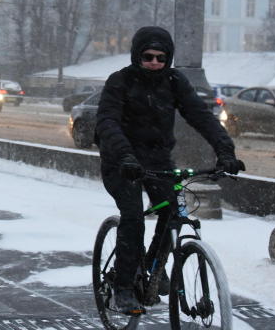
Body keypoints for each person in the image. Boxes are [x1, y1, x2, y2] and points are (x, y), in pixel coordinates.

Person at [94, 26, 245, 315]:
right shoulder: (120, 81)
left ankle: (154, 265)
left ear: (168, 59)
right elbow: (108, 122)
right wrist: (125, 156)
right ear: (137, 56)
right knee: (134, 217)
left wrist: (225, 151)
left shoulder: (175, 82)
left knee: (173, 211)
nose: (154, 63)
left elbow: (201, 116)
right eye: (147, 57)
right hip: (121, 161)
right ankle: (123, 288)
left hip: (157, 159)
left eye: (160, 58)